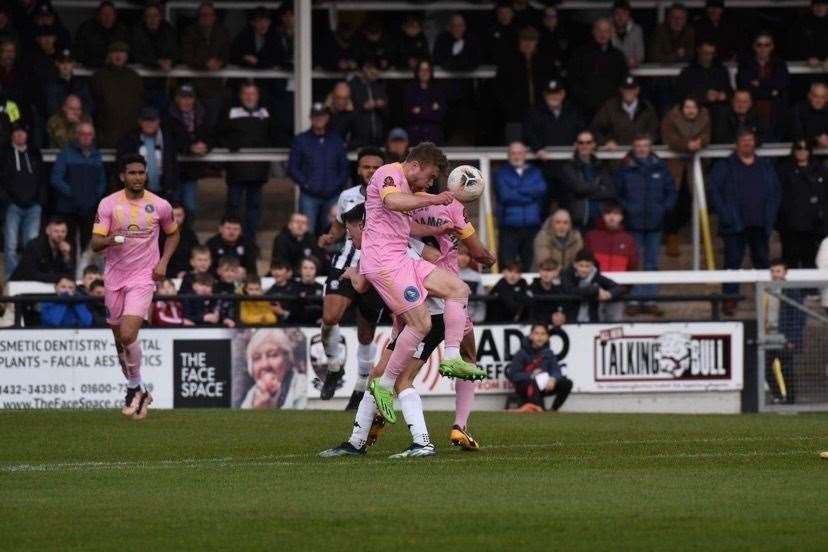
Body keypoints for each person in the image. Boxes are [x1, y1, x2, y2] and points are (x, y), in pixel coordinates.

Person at [320, 198, 491, 457]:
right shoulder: (393, 245)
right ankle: (356, 442)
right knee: (377, 375)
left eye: (351, 230)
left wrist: (353, 274)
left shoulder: (383, 248)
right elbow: (432, 256)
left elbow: (362, 286)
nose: (349, 236)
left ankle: (422, 442)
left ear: (364, 225)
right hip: (411, 320)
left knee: (401, 379)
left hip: (430, 318)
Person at [360, 143, 488, 425]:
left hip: (403, 261)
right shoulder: (388, 173)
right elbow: (393, 202)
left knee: (458, 289)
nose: (430, 183)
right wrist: (434, 199)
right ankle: (384, 387)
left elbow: (405, 225)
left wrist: (435, 229)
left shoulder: (407, 187)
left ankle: (452, 357)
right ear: (416, 165)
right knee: (420, 325)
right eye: (430, 176)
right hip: (384, 263)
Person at [90, 153, 180, 420]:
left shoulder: (160, 205)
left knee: (129, 334)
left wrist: (163, 262)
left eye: (141, 173)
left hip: (143, 277)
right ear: (122, 176)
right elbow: (95, 244)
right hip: (114, 276)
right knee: (120, 342)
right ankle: (139, 388)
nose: (138, 177)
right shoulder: (108, 204)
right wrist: (112, 239)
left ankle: (133, 387)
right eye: (132, 173)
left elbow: (173, 233)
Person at [315, 148, 387, 406]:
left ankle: (360, 387)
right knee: (330, 317)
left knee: (366, 334)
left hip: (375, 271)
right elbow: (338, 225)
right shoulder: (347, 196)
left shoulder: (392, 197)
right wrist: (329, 237)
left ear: (384, 169)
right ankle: (335, 365)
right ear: (358, 169)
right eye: (366, 167)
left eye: (375, 167)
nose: (370, 171)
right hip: (344, 264)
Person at [709, 129, 781, 313]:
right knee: (732, 263)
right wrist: (725, 214)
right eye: (744, 140)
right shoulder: (725, 165)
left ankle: (766, 299)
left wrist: (770, 217)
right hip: (734, 224)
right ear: (737, 144)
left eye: (750, 140)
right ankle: (730, 299)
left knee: (762, 262)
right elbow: (714, 192)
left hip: (760, 222)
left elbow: (775, 192)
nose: (747, 143)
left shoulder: (765, 165)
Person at [614, 134, 676, 316]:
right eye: (638, 146)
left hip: (655, 223)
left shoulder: (660, 166)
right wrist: (628, 209)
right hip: (632, 223)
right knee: (633, 262)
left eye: (645, 146)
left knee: (652, 263)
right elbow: (617, 193)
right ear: (634, 148)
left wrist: (663, 209)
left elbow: (671, 191)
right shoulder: (625, 167)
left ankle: (650, 300)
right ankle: (633, 300)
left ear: (650, 147)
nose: (642, 149)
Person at [221, 81, 277, 241]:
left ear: (258, 96)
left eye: (252, 94)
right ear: (240, 96)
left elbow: (273, 135)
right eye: (246, 93)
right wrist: (230, 144)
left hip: (258, 171)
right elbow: (221, 134)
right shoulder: (231, 112)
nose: (249, 97)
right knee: (233, 206)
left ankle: (249, 241)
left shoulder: (265, 112)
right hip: (236, 170)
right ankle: (230, 240)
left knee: (254, 208)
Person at [288, 102, 349, 235]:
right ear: (310, 118)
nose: (319, 119)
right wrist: (306, 184)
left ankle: (328, 257)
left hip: (333, 195)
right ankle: (308, 256)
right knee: (306, 232)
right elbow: (293, 168)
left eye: (322, 116)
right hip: (309, 195)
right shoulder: (301, 140)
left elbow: (344, 168)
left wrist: (337, 185)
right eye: (316, 116)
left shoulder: (336, 140)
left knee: (332, 233)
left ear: (327, 118)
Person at [661, 96, 711, 256]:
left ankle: (700, 235)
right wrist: (686, 145)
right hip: (675, 167)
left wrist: (700, 142)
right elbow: (668, 138)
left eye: (693, 107)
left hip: (695, 166)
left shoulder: (706, 117)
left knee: (693, 200)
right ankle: (671, 238)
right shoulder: (670, 118)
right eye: (687, 107)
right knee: (672, 204)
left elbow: (707, 136)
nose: (690, 111)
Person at [50, 122, 106, 256]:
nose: (86, 137)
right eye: (83, 134)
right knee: (68, 244)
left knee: (88, 244)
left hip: (90, 207)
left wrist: (95, 196)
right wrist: (74, 194)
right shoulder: (66, 153)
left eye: (89, 134)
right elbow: (56, 179)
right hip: (68, 207)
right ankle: (69, 273)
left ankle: (86, 275)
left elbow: (102, 181)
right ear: (77, 135)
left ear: (93, 136)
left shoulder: (96, 155)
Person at [495, 26, 557, 138]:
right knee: (516, 149)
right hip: (515, 116)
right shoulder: (508, 62)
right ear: (519, 41)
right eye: (524, 40)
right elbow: (500, 88)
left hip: (542, 114)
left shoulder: (545, 62)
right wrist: (509, 107)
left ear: (536, 42)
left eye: (531, 40)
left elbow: (554, 86)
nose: (528, 44)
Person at [0, 122, 45, 278]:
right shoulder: (4, 154)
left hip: (34, 206)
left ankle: (29, 276)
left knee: (31, 244)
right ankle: (12, 279)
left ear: (27, 135)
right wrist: (7, 201)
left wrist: (39, 200)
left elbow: (42, 179)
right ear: (12, 135)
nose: (20, 135)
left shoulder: (34, 154)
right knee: (10, 245)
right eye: (16, 132)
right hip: (13, 206)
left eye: (23, 132)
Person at [775, 140, 828, 269]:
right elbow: (777, 198)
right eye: (798, 148)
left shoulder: (821, 171)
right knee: (790, 261)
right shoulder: (783, 171)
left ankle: (809, 290)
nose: (802, 151)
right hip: (790, 227)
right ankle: (790, 290)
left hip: (814, 227)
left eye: (805, 148)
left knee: (811, 261)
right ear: (794, 150)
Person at [495, 141, 547, 269]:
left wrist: (517, 190)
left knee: (529, 263)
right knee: (507, 262)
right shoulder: (502, 173)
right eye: (513, 153)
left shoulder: (535, 172)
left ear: (525, 154)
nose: (516, 156)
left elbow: (541, 190)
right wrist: (529, 195)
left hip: (531, 224)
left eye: (519, 153)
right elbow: (506, 196)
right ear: (508, 155)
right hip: (509, 225)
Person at [180, 1, 230, 128]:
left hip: (215, 88)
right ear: (198, 17)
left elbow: (227, 54)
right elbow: (186, 56)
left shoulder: (222, 32)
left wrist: (220, 62)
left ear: (214, 16)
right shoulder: (189, 32)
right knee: (192, 125)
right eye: (203, 15)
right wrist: (205, 63)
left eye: (210, 14)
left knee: (211, 124)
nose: (207, 17)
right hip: (194, 88)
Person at [585, 200, 638, 320]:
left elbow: (632, 266)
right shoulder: (591, 236)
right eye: (608, 213)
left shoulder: (628, 239)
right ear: (602, 216)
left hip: (617, 293)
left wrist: (622, 289)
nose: (612, 217)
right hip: (594, 292)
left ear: (621, 217)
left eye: (616, 213)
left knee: (614, 329)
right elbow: (584, 264)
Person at [763, 259, 806, 404]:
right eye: (773, 271)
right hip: (767, 335)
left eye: (778, 271)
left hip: (784, 335)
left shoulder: (792, 290)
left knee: (786, 369)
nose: (775, 274)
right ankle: (778, 395)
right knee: (765, 368)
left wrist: (792, 338)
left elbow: (798, 316)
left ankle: (790, 399)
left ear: (785, 272)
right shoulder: (766, 289)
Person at [166, 83, 212, 219]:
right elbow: (168, 139)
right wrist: (189, 148)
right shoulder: (168, 115)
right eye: (183, 97)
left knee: (190, 208)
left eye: (190, 98)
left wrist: (206, 146)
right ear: (176, 99)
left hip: (192, 170)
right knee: (171, 209)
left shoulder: (202, 113)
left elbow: (211, 135)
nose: (187, 101)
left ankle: (187, 237)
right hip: (173, 169)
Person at [567, 18, 628, 117]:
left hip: (611, 109)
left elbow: (623, 81)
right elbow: (573, 80)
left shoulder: (618, 56)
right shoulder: (580, 53)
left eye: (606, 31)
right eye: (599, 30)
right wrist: (585, 98)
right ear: (593, 32)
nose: (603, 34)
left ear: (611, 33)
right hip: (585, 109)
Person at [506, 324, 573, 412]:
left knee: (566, 383)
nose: (540, 337)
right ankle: (539, 408)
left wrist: (553, 379)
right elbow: (513, 375)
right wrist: (531, 375)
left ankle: (553, 410)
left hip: (543, 385)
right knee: (533, 383)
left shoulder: (548, 353)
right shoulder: (521, 353)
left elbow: (556, 370)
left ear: (547, 337)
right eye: (536, 333)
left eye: (543, 334)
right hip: (526, 386)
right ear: (531, 336)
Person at [88, 41, 143, 147]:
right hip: (105, 136)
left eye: (122, 52)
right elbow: (93, 106)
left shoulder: (134, 78)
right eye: (115, 52)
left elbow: (139, 105)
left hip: (129, 137)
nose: (118, 55)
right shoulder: (99, 77)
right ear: (109, 55)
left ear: (126, 56)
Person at [116, 106, 179, 198]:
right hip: (136, 193)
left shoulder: (167, 140)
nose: (149, 124)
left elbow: (173, 167)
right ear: (140, 122)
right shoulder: (129, 140)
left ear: (158, 121)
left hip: (164, 193)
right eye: (146, 120)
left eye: (153, 120)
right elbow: (121, 167)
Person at [736, 32, 789, 140]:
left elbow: (782, 84)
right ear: (754, 47)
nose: (763, 48)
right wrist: (771, 91)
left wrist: (759, 83)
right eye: (759, 45)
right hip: (752, 114)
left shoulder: (779, 63)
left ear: (772, 46)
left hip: (775, 114)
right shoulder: (745, 64)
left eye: (767, 45)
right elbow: (745, 87)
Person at [559, 130, 615, 231]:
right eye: (581, 142)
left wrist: (585, 193)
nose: (584, 146)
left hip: (600, 220)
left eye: (588, 142)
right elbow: (578, 188)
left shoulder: (601, 166)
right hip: (579, 221)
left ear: (593, 144)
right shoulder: (569, 167)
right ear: (576, 145)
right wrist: (598, 187)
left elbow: (610, 191)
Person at [130, 1, 178, 110]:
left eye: (155, 16)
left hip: (161, 85)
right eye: (149, 16)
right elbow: (136, 54)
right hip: (140, 85)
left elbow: (175, 53)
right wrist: (157, 62)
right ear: (144, 18)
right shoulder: (137, 31)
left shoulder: (168, 31)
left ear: (160, 17)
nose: (152, 19)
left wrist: (170, 61)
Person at [239, 329, 305, 409]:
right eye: (256, 358)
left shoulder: (302, 388)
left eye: (273, 355)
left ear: (287, 360)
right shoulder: (253, 393)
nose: (264, 364)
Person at [591, 76, 659, 149]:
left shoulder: (647, 108)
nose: (628, 92)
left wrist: (646, 142)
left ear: (637, 90)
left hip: (640, 155)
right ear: (621, 90)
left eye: (632, 89)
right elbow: (596, 128)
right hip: (616, 155)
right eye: (626, 89)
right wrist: (605, 142)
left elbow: (654, 131)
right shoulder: (609, 107)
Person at [523, 80, 584, 157]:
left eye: (557, 93)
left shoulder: (574, 112)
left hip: (570, 162)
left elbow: (583, 132)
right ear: (544, 95)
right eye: (550, 94)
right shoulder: (534, 114)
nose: (554, 96)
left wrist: (579, 142)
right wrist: (537, 149)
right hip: (543, 161)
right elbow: (528, 134)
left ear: (563, 94)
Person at [561, 249, 624, 323]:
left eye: (587, 266)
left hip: (592, 322)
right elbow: (569, 290)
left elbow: (618, 288)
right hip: (570, 322)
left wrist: (608, 294)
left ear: (592, 266)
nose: (584, 269)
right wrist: (595, 290)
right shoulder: (567, 275)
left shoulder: (597, 277)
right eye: (581, 265)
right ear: (575, 265)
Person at [675, 40, 732, 120]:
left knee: (723, 112)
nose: (708, 57)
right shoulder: (688, 71)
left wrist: (724, 95)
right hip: (698, 107)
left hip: (719, 107)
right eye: (705, 53)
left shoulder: (721, 70)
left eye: (711, 54)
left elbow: (730, 91)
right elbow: (682, 93)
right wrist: (704, 95)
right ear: (698, 51)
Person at [11, 217, 75, 282]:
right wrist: (59, 278)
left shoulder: (66, 248)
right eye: (56, 231)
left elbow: (71, 276)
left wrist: (66, 256)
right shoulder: (34, 245)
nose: (60, 234)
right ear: (47, 231)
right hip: (20, 285)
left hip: (48, 287)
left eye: (63, 231)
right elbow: (30, 274)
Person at [73, 1, 129, 68]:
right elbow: (80, 54)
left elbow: (127, 54)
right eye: (104, 14)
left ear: (115, 16)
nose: (107, 17)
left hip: (116, 70)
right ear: (98, 15)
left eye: (110, 14)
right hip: (92, 69)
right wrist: (101, 62)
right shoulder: (87, 29)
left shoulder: (121, 31)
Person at [403, 59, 446, 146]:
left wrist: (420, 110)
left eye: (427, 70)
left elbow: (440, 115)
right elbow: (408, 114)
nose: (424, 73)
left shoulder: (438, 89)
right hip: (415, 134)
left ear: (431, 72)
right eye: (421, 70)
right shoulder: (410, 89)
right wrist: (431, 108)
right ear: (417, 72)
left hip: (434, 135)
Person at [348, 58, 388, 148]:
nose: (377, 74)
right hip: (358, 137)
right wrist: (363, 107)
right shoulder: (353, 85)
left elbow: (387, 111)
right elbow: (347, 111)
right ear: (365, 68)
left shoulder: (378, 86)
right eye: (374, 72)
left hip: (377, 136)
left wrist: (381, 105)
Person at [44, 49, 94, 119]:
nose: (65, 66)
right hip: (60, 125)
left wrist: (79, 116)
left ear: (73, 64)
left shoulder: (81, 83)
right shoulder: (51, 85)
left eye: (69, 62)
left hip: (79, 123)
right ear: (57, 63)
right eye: (62, 62)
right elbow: (52, 109)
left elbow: (89, 105)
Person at [160, 203, 198, 278]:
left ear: (184, 216)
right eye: (172, 216)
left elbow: (195, 257)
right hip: (163, 275)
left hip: (185, 274)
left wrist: (187, 273)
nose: (175, 219)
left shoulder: (190, 235)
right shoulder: (158, 234)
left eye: (179, 215)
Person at [528, 259, 567, 325]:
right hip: (535, 325)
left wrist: (561, 316)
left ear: (556, 272)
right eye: (543, 270)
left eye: (549, 271)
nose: (546, 274)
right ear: (539, 271)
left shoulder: (558, 290)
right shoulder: (532, 288)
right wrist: (550, 317)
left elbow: (562, 307)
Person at [610, 0, 644, 69]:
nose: (620, 17)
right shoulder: (605, 29)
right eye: (617, 13)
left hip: (631, 70)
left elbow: (640, 55)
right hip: (610, 69)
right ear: (613, 15)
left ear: (629, 15)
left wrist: (635, 61)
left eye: (624, 13)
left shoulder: (636, 30)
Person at [325, 81, 357, 149]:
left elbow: (360, 140)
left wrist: (345, 145)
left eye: (344, 98)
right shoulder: (324, 113)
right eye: (338, 97)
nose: (341, 102)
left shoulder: (352, 115)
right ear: (332, 96)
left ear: (349, 98)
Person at [458, 247, 486, 323]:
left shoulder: (476, 277)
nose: (464, 258)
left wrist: (478, 318)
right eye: (460, 254)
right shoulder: (447, 274)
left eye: (467, 255)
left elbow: (481, 299)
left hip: (472, 320)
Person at [266, 259, 298, 324]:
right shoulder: (269, 292)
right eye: (274, 269)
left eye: (280, 269)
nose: (276, 273)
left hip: (296, 325)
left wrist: (282, 312)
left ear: (287, 271)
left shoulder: (297, 288)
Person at [295, 257, 323, 325]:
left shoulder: (322, 288)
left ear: (316, 270)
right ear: (300, 270)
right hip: (297, 325)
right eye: (305, 268)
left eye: (312, 268)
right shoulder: (293, 288)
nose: (308, 271)